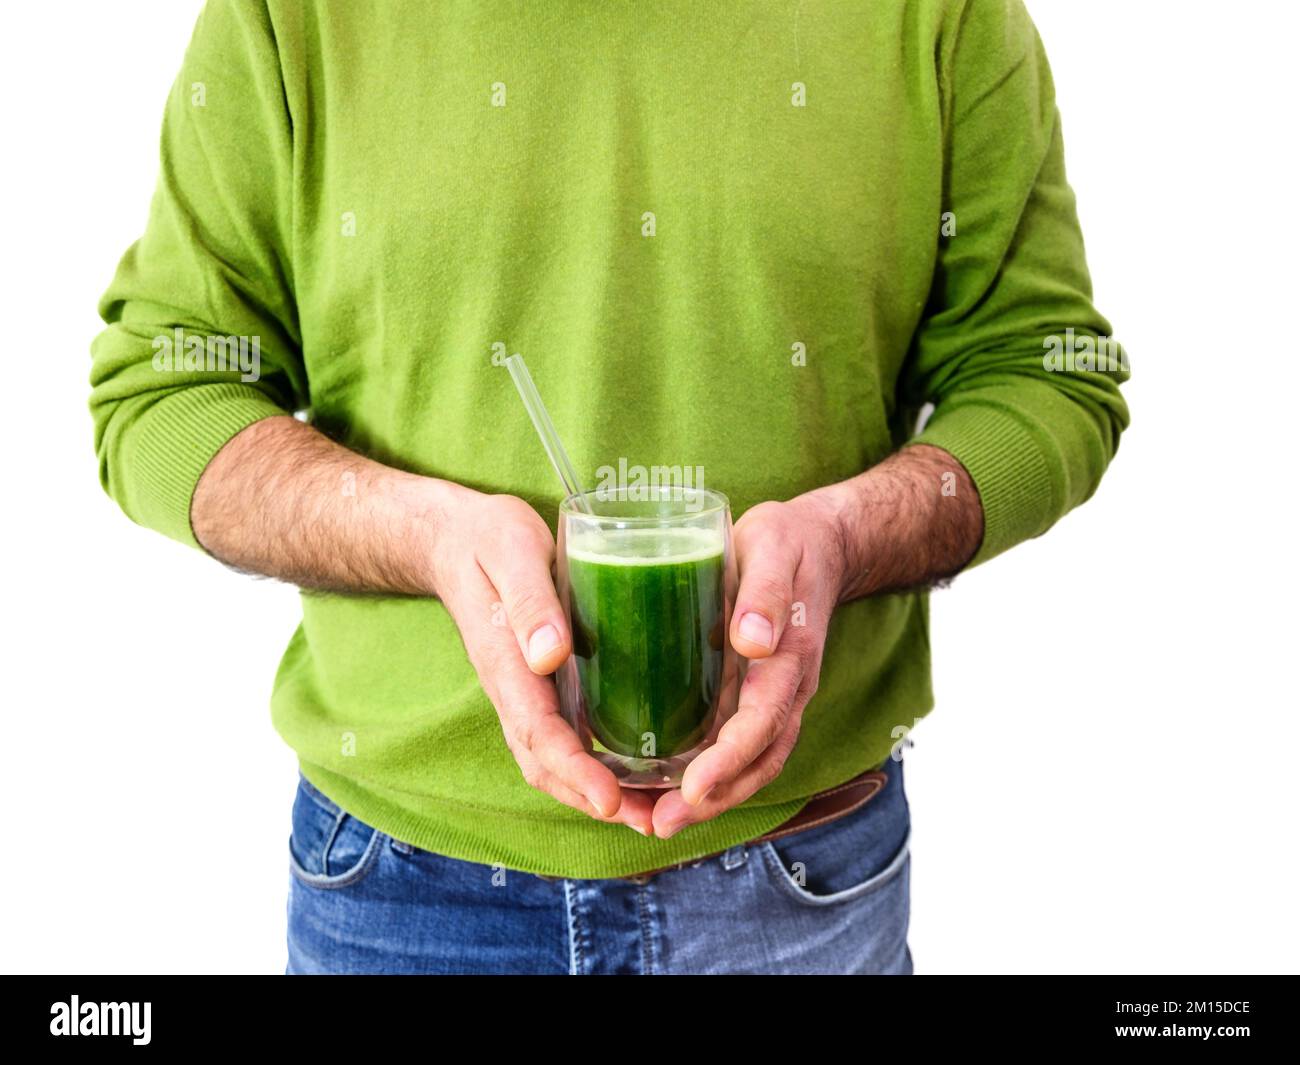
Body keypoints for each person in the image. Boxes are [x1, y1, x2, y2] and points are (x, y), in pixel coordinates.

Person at [90, 0, 1129, 975]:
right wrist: (422, 536)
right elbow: (167, 390)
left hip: (801, 876)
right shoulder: (290, 17)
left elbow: (1045, 371)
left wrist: (848, 538)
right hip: (397, 887)